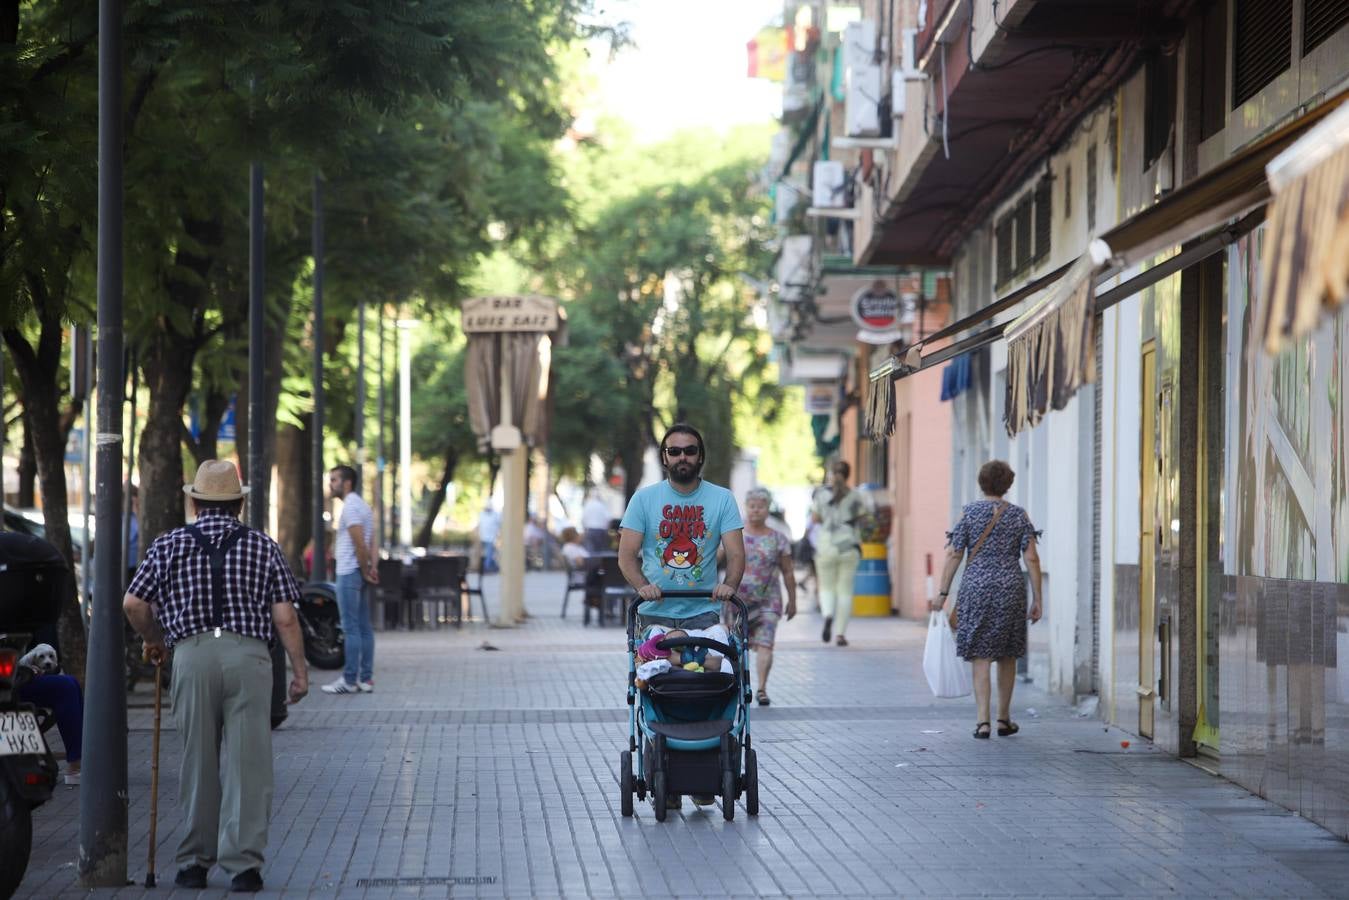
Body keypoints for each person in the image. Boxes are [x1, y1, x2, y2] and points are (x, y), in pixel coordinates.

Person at [123, 459, 308, 893]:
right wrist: (299, 672)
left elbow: (133, 604)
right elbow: (284, 618)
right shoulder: (263, 546)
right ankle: (243, 868)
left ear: (194, 501)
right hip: (249, 658)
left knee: (197, 761)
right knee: (250, 765)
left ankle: (192, 865)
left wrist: (157, 640)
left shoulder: (168, 544)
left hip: (192, 655)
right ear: (239, 505)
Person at [618, 423, 744, 809]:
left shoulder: (721, 499)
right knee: (659, 687)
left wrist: (729, 585)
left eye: (690, 451)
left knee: (716, 677)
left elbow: (736, 555)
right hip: (656, 612)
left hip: (702, 613)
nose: (683, 457)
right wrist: (642, 586)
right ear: (664, 458)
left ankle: (706, 767)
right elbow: (626, 556)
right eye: (675, 452)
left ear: (700, 457)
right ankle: (664, 768)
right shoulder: (644, 500)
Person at [931, 460, 1043, 740]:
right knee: (1007, 654)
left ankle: (983, 722)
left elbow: (955, 554)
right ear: (1008, 485)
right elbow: (1031, 557)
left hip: (976, 588)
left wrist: (943, 593)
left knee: (981, 655)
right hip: (1010, 588)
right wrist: (1038, 598)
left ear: (982, 483)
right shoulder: (1019, 515)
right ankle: (1004, 718)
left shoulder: (968, 514)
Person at [735, 487, 796, 706]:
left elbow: (788, 570)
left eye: (761, 507)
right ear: (746, 507)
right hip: (737, 601)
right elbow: (716, 559)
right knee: (736, 645)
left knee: (766, 644)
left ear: (767, 509)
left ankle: (761, 689)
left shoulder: (778, 538)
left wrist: (793, 600)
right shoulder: (735, 534)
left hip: (769, 599)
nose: (756, 511)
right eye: (752, 506)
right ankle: (740, 686)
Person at [322, 465, 379, 695]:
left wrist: (365, 569)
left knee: (350, 627)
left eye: (334, 479)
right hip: (360, 571)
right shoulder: (363, 506)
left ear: (347, 483)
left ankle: (349, 679)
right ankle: (365, 679)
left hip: (349, 572)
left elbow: (360, 543)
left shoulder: (351, 508)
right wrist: (372, 567)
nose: (331, 484)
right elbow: (373, 542)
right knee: (364, 627)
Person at [810, 460, 865, 647]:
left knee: (826, 587)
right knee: (845, 591)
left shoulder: (821, 495)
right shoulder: (856, 496)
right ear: (848, 474)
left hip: (826, 545)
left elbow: (815, 518)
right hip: (849, 545)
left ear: (831, 474)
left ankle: (827, 615)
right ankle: (840, 634)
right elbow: (862, 518)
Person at [477, 504, 501, 573]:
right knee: (488, 553)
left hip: (491, 537)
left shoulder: (494, 514)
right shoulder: (483, 514)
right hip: (485, 537)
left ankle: (490, 566)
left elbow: (498, 524)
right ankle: (486, 567)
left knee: (489, 553)